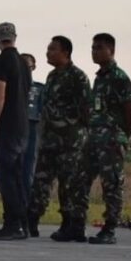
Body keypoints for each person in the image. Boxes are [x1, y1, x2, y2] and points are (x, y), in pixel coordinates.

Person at [67, 33, 131, 245]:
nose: (94, 51)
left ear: (111, 50)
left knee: (111, 185)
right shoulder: (99, 78)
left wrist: (122, 136)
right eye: (92, 48)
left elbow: (130, 112)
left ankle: (109, 229)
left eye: (99, 48)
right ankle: (76, 226)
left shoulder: (119, 78)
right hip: (93, 138)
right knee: (79, 180)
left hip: (111, 140)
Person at [26, 36, 92, 240]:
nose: (48, 53)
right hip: (49, 140)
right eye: (48, 49)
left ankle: (70, 224)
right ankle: (31, 221)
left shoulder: (77, 77)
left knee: (68, 183)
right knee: (41, 181)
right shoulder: (52, 76)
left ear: (65, 52)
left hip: (69, 141)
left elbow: (86, 109)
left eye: (52, 49)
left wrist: (70, 126)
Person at [0, 22, 32, 240]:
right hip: (23, 125)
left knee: (3, 175)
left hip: (8, 125)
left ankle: (12, 224)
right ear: (14, 37)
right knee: (17, 175)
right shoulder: (23, 63)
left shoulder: (1, 60)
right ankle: (23, 222)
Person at [20, 53, 45, 202]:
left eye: (27, 66)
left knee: (28, 170)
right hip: (13, 130)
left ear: (33, 66)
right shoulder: (8, 87)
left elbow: (44, 112)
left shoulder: (40, 88)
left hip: (32, 129)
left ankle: (27, 210)